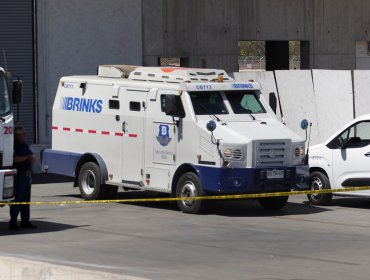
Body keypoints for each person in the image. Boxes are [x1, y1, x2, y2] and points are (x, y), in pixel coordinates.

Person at [9, 127, 37, 230]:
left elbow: (32, 157)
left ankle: (25, 221)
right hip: (18, 175)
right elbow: (14, 158)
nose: (24, 136)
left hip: (27, 175)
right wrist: (26, 157)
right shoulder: (13, 146)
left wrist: (32, 158)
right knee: (17, 199)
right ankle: (13, 222)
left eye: (24, 134)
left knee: (26, 200)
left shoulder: (25, 145)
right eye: (22, 134)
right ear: (17, 135)